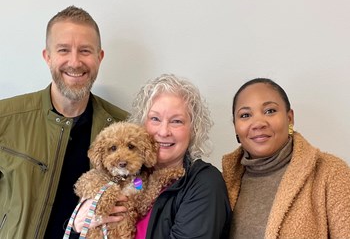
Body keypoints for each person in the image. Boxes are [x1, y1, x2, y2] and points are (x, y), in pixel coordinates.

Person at [0, 6, 128, 239]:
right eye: (63, 50)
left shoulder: (124, 129)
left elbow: (141, 187)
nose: (75, 62)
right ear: (47, 56)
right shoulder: (5, 119)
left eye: (85, 51)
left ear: (99, 58)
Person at [73, 73, 232, 238]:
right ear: (142, 125)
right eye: (155, 118)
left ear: (193, 130)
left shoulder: (204, 183)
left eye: (176, 121)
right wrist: (77, 224)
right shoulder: (136, 177)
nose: (163, 132)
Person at [222, 78, 350, 239]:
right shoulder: (223, 183)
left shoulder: (331, 172)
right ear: (235, 127)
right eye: (245, 115)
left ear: (289, 118)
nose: (258, 123)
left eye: (270, 111)